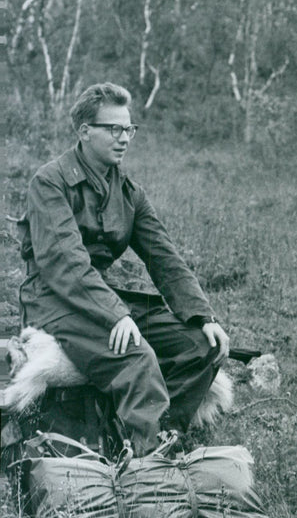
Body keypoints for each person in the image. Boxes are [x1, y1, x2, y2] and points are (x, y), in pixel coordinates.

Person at [17, 82, 230, 456]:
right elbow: (65, 263)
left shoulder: (128, 191)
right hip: (54, 300)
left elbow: (164, 258)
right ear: (85, 131)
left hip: (99, 295)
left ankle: (159, 436)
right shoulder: (49, 182)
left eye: (129, 129)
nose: (124, 138)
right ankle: (149, 468)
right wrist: (115, 314)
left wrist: (202, 315)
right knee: (136, 357)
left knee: (201, 347)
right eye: (113, 129)